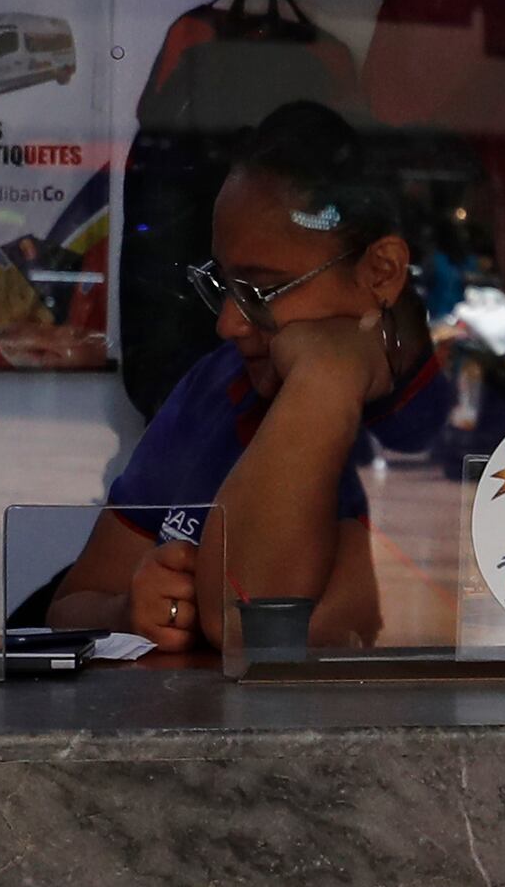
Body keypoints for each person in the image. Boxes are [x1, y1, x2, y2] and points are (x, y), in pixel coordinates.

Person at [48, 100, 447, 661]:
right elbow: (70, 605)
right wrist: (124, 613)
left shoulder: (434, 439)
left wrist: (325, 377)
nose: (228, 323)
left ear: (380, 272)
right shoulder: (216, 388)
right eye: (222, 285)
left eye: (261, 291)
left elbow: (250, 629)